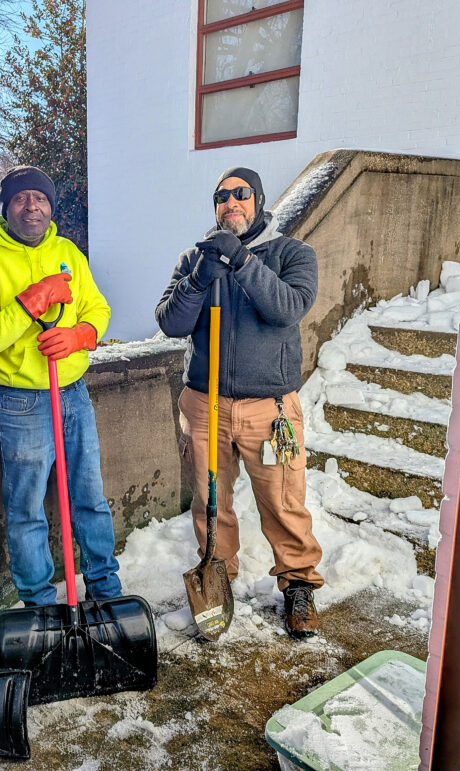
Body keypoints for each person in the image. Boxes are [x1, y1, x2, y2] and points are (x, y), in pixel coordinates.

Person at [155, 166, 324, 638]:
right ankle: (217, 575)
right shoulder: (196, 257)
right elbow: (170, 322)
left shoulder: (293, 253)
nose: (231, 202)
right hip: (204, 405)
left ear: (259, 201)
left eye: (241, 194)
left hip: (268, 410)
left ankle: (298, 585)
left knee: (283, 500)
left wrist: (244, 261)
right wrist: (199, 278)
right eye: (221, 196)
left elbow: (288, 307)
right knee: (211, 501)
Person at [0, 165, 122, 607]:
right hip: (19, 403)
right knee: (27, 509)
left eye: (41, 199)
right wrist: (30, 304)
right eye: (20, 199)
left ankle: (106, 591)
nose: (32, 207)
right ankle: (41, 603)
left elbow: (98, 309)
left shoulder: (67, 251)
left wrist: (80, 336)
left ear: (51, 207)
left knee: (89, 497)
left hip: (74, 393)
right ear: (6, 208)